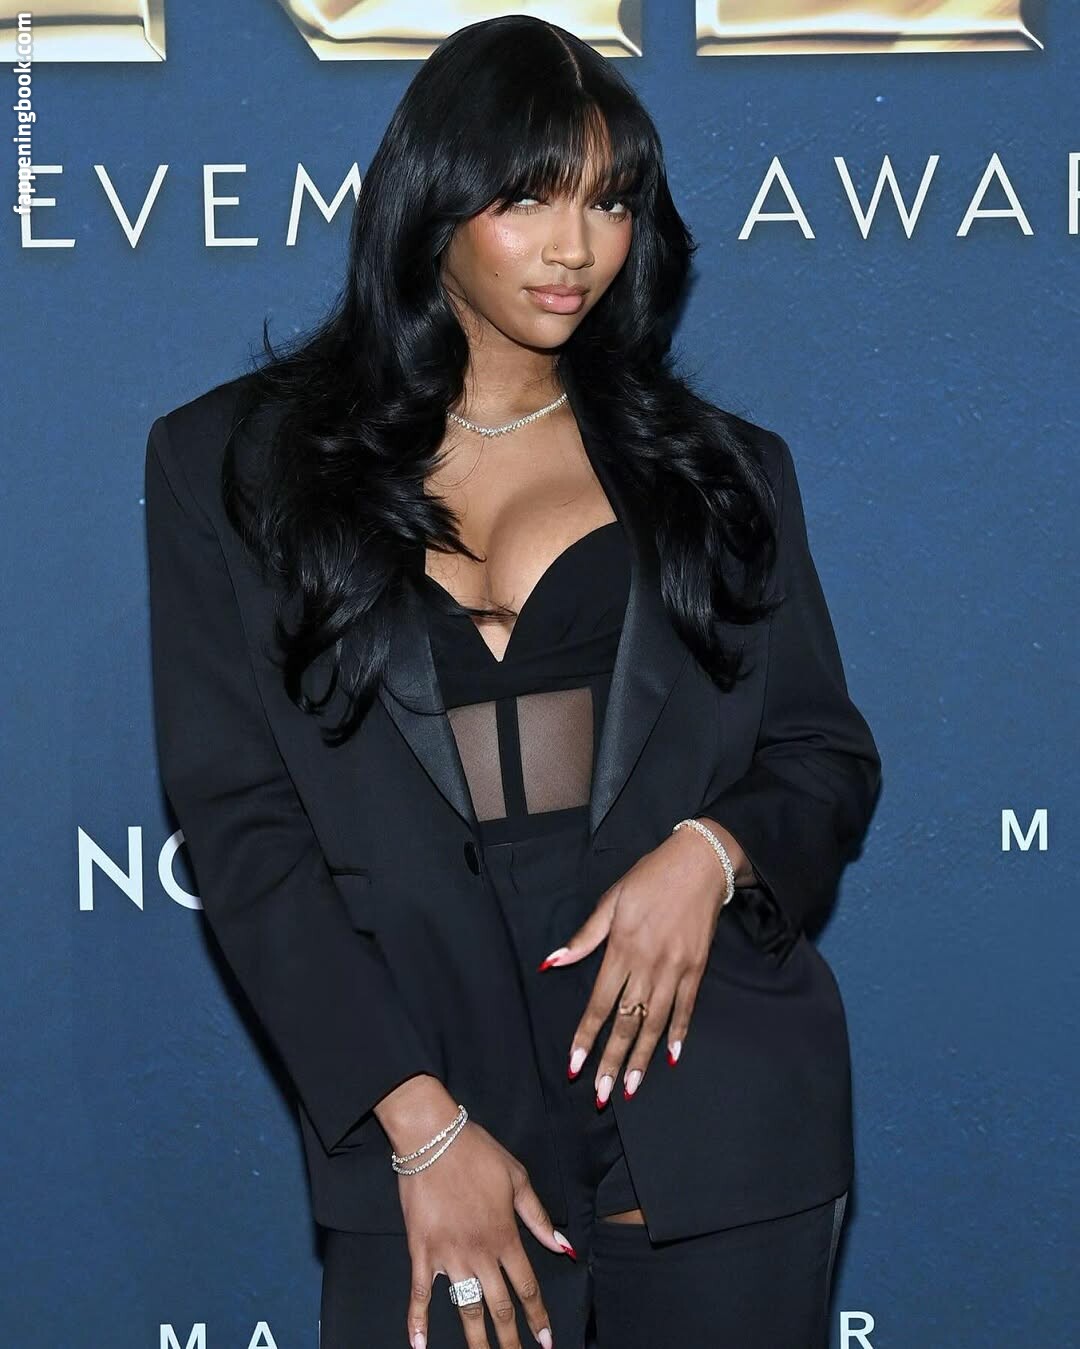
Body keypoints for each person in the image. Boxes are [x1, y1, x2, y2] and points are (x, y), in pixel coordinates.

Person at [145, 14, 881, 1349]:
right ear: (433, 203)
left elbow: (822, 754)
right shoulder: (234, 469)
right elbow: (243, 827)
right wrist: (418, 1128)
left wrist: (712, 854)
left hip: (711, 1113)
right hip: (431, 1113)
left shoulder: (720, 470)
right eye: (530, 196)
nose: (576, 247)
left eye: (611, 201)